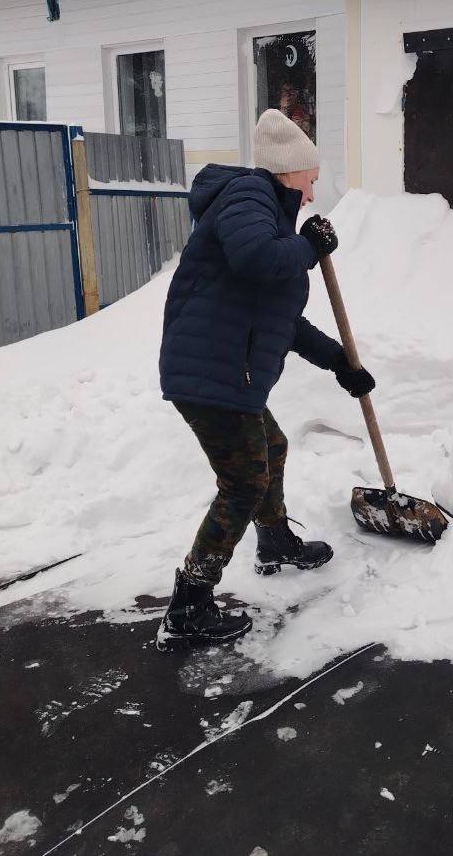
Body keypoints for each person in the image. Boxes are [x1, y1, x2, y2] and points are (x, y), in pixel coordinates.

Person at [156, 109, 375, 652]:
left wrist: (340, 363)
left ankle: (274, 541)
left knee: (271, 447)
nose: (313, 191)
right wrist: (309, 248)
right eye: (311, 178)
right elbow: (256, 259)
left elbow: (284, 321)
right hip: (212, 372)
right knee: (243, 482)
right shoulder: (249, 195)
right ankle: (189, 603)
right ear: (289, 171)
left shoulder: (269, 217)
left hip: (229, 374)